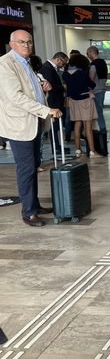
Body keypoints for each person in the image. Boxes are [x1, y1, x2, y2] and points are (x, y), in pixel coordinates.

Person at [0, 29, 63, 227]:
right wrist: (46, 110)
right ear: (12, 44)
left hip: (34, 122)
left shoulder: (26, 63)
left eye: (29, 42)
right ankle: (28, 212)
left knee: (33, 165)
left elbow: (30, 88)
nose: (27, 45)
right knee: (26, 169)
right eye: (22, 42)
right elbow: (16, 96)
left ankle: (34, 205)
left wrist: (43, 86)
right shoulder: (5, 64)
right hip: (20, 125)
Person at [62, 53, 101, 158]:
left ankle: (78, 150)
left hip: (73, 101)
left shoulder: (65, 74)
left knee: (77, 124)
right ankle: (92, 151)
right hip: (85, 100)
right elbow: (92, 85)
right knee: (88, 126)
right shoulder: (82, 73)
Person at [40, 52, 69, 153]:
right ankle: (56, 148)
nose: (63, 66)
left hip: (55, 100)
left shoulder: (49, 67)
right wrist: (63, 87)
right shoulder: (47, 68)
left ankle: (57, 146)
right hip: (53, 101)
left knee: (56, 126)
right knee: (54, 126)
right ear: (58, 59)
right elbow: (50, 87)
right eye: (63, 63)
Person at [86, 46, 108, 133]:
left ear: (92, 52)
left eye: (88, 53)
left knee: (98, 112)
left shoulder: (93, 64)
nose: (88, 56)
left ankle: (102, 130)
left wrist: (88, 88)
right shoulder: (103, 62)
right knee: (99, 111)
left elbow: (91, 78)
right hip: (102, 89)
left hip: (95, 91)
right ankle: (102, 129)